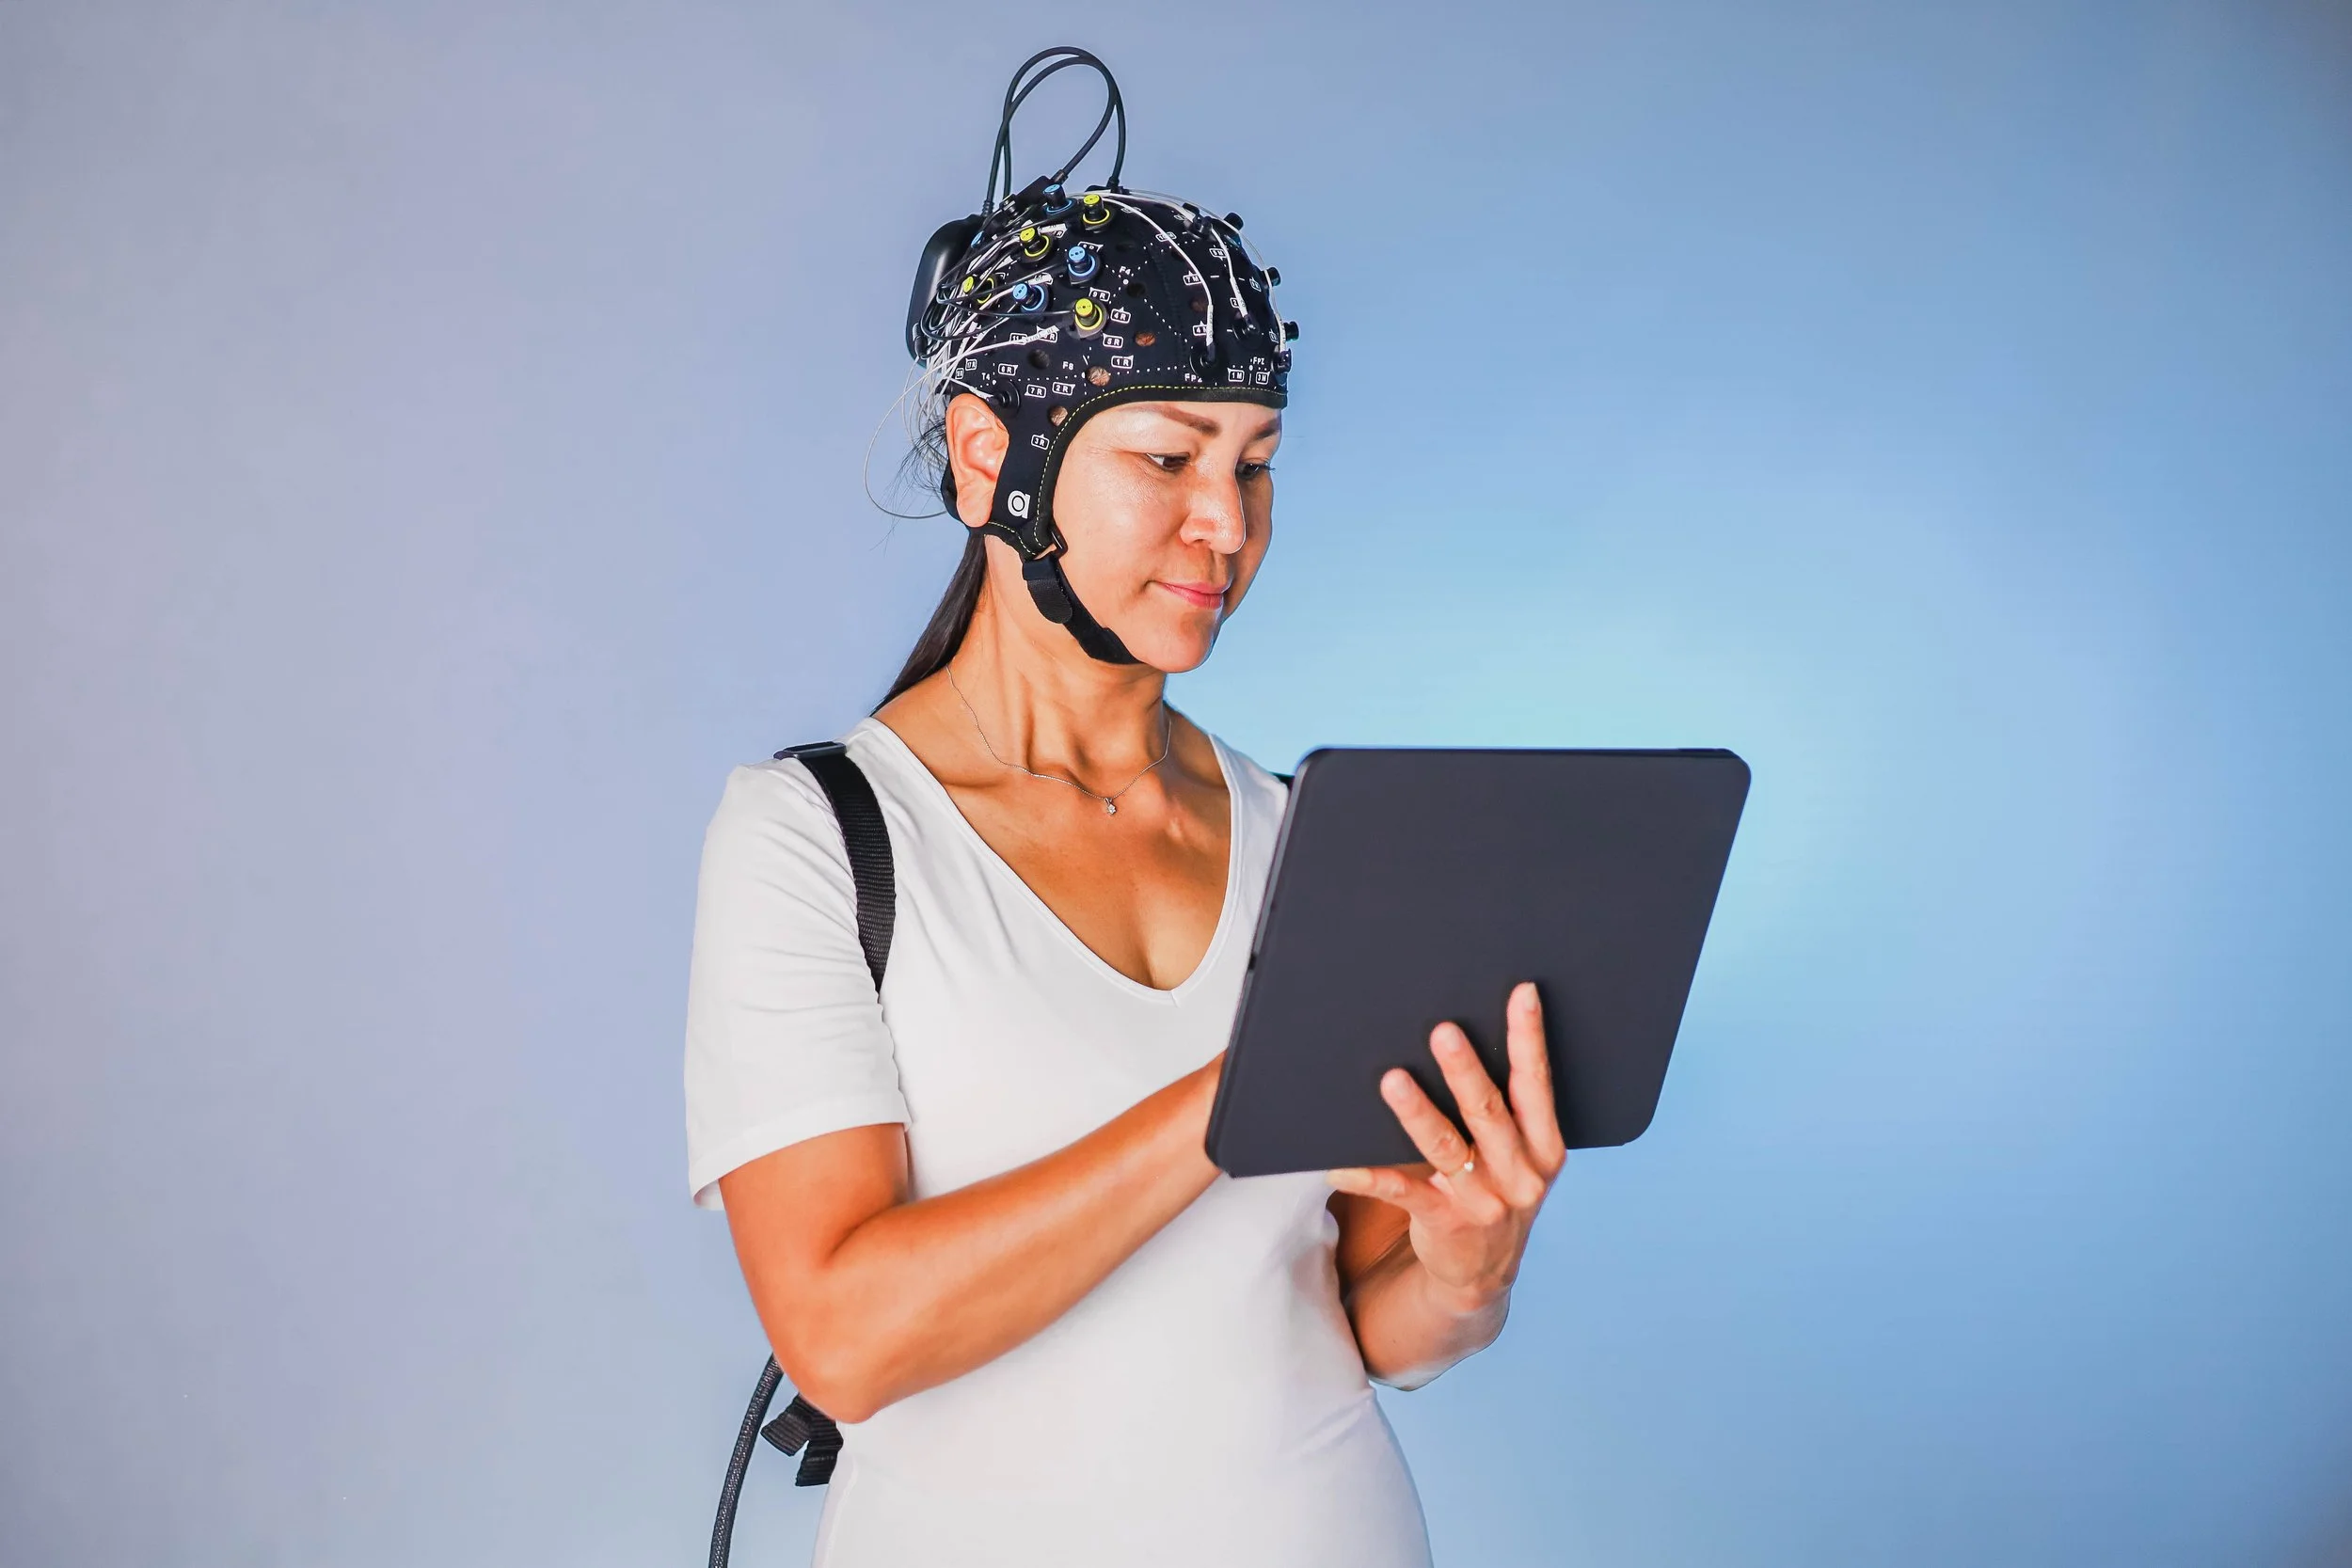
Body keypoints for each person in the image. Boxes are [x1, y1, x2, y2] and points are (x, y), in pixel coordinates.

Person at [682, 49, 1565, 1566]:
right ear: (988, 461)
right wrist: (1227, 1105)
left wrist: (1469, 1262)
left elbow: (1357, 1321)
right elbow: (843, 1334)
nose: (1226, 525)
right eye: (1166, 458)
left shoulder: (1306, 836)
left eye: (1258, 465)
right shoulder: (817, 838)